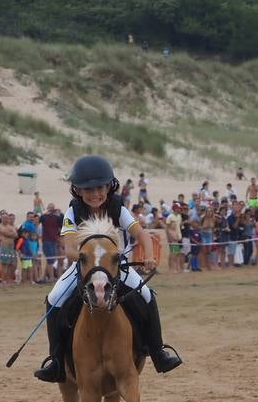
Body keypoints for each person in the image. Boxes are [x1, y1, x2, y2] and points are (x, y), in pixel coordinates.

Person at [33, 155, 182, 382]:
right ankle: (56, 362)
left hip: (116, 267)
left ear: (109, 186)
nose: (95, 194)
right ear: (78, 191)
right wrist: (89, 261)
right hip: (84, 269)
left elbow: (142, 234)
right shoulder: (72, 211)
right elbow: (70, 249)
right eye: (88, 190)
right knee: (53, 299)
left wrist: (150, 257)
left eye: (99, 188)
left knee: (147, 296)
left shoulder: (118, 208)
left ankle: (157, 351)